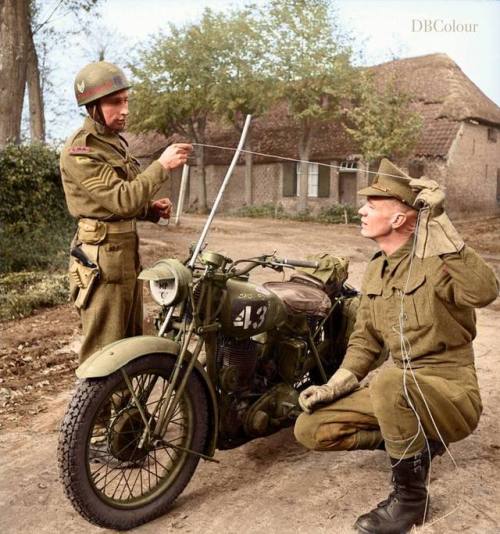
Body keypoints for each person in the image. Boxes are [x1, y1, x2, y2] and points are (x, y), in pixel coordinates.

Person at [294, 158, 499, 534]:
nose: (360, 210)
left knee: (390, 380)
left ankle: (410, 501)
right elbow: (366, 340)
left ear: (400, 219)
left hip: (450, 391)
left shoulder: (438, 260)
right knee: (311, 428)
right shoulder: (375, 268)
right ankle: (417, 448)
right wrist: (334, 385)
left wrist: (438, 222)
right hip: (401, 391)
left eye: (371, 206)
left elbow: (485, 291)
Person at [60, 61, 192, 362]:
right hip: (101, 261)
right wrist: (162, 165)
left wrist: (149, 210)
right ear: (93, 106)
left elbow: (123, 199)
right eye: (115, 102)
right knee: (104, 356)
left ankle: (127, 410)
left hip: (126, 257)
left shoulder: (113, 144)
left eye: (126, 100)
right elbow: (121, 200)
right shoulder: (81, 150)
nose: (125, 109)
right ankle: (96, 411)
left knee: (130, 350)